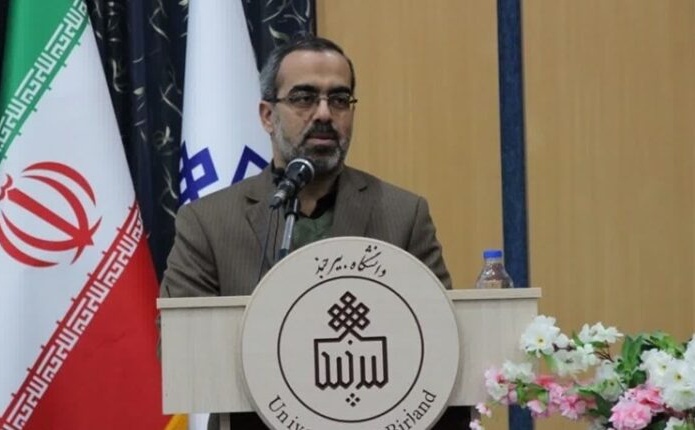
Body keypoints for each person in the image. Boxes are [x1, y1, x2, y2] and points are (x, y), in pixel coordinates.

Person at [161, 35, 470, 430]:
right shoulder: (208, 221)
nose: (324, 113)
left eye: (339, 99)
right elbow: (180, 349)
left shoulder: (403, 214)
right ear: (267, 115)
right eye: (304, 98)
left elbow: (441, 338)